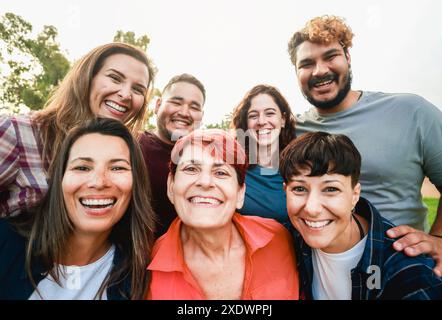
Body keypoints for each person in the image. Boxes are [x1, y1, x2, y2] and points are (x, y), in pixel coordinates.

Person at [287, 15, 442, 276]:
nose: (319, 70)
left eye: (330, 56)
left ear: (348, 57)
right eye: (306, 63)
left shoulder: (411, 112)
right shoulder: (290, 132)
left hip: (399, 271)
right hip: (315, 276)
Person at [280, 131, 442, 299]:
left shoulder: (407, 274)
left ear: (355, 195)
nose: (312, 208)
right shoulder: (287, 238)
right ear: (285, 191)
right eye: (299, 189)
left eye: (331, 189)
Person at [0, 118, 156, 300]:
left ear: (136, 183)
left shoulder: (137, 272)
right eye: (82, 167)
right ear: (60, 179)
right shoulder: (6, 243)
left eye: (117, 167)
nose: (98, 182)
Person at [0, 42, 156, 216]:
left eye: (137, 89)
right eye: (115, 78)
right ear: (87, 77)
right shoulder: (19, 132)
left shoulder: (127, 155)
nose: (126, 94)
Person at [146, 129, 299, 300]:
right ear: (171, 186)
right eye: (191, 168)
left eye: (221, 172)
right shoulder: (145, 267)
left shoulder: (278, 238)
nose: (205, 182)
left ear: (240, 193)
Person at [139, 73, 205, 237]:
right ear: (157, 105)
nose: (184, 112)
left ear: (201, 116)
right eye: (176, 102)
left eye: (194, 107)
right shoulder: (130, 145)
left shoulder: (207, 157)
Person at [231, 84, 296, 223]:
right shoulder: (234, 168)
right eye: (253, 116)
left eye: (270, 113)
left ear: (283, 119)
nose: (261, 121)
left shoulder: (298, 167)